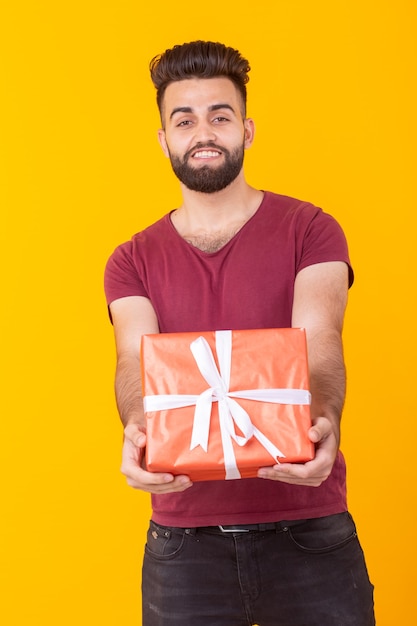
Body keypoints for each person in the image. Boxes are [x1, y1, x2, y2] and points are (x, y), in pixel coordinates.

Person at [104, 40, 375, 626]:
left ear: (247, 130)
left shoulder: (312, 230)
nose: (204, 132)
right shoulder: (131, 260)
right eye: (185, 119)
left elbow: (321, 336)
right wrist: (136, 427)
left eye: (220, 116)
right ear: (164, 139)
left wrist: (324, 418)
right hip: (183, 545)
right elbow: (134, 359)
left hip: (310, 529)